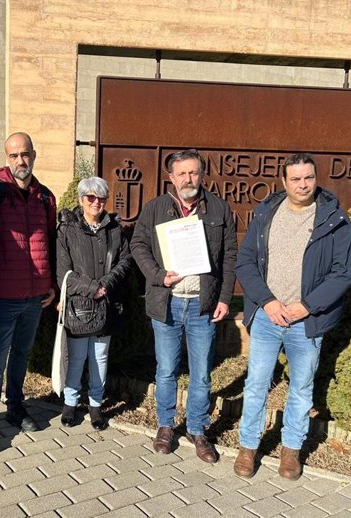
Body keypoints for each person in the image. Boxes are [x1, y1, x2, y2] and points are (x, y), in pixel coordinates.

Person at [233, 153, 351, 480]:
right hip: (266, 317)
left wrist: (308, 305)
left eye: (309, 178)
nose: (303, 185)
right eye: (296, 179)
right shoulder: (265, 214)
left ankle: (291, 450)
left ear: (315, 178)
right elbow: (245, 262)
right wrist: (268, 301)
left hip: (307, 321)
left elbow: (344, 273)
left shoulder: (335, 220)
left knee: (301, 388)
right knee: (257, 383)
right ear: (284, 182)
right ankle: (248, 447)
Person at [131, 148, 237, 461]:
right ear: (171, 177)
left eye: (193, 172)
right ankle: (165, 425)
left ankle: (197, 428)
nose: (188, 179)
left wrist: (225, 297)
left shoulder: (218, 209)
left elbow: (229, 256)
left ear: (202, 175)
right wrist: (157, 275)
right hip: (168, 303)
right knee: (166, 370)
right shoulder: (156, 208)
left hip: (202, 305)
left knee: (202, 373)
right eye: (182, 173)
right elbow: (138, 245)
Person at [0, 132, 57, 453]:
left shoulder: (44, 197)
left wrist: (51, 285)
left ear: (33, 155)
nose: (20, 161)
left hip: (36, 295)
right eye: (14, 156)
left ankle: (16, 406)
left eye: (25, 154)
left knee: (20, 354)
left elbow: (49, 243)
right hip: (4, 295)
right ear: (6, 158)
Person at [56, 177, 133, 430]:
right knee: (76, 358)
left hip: (107, 304)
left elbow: (125, 260)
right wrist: (92, 288)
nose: (96, 202)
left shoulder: (114, 229)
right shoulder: (67, 230)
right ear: (81, 199)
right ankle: (70, 403)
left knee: (100, 358)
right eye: (91, 197)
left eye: (101, 198)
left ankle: (96, 406)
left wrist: (106, 285)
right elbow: (63, 273)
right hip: (79, 305)